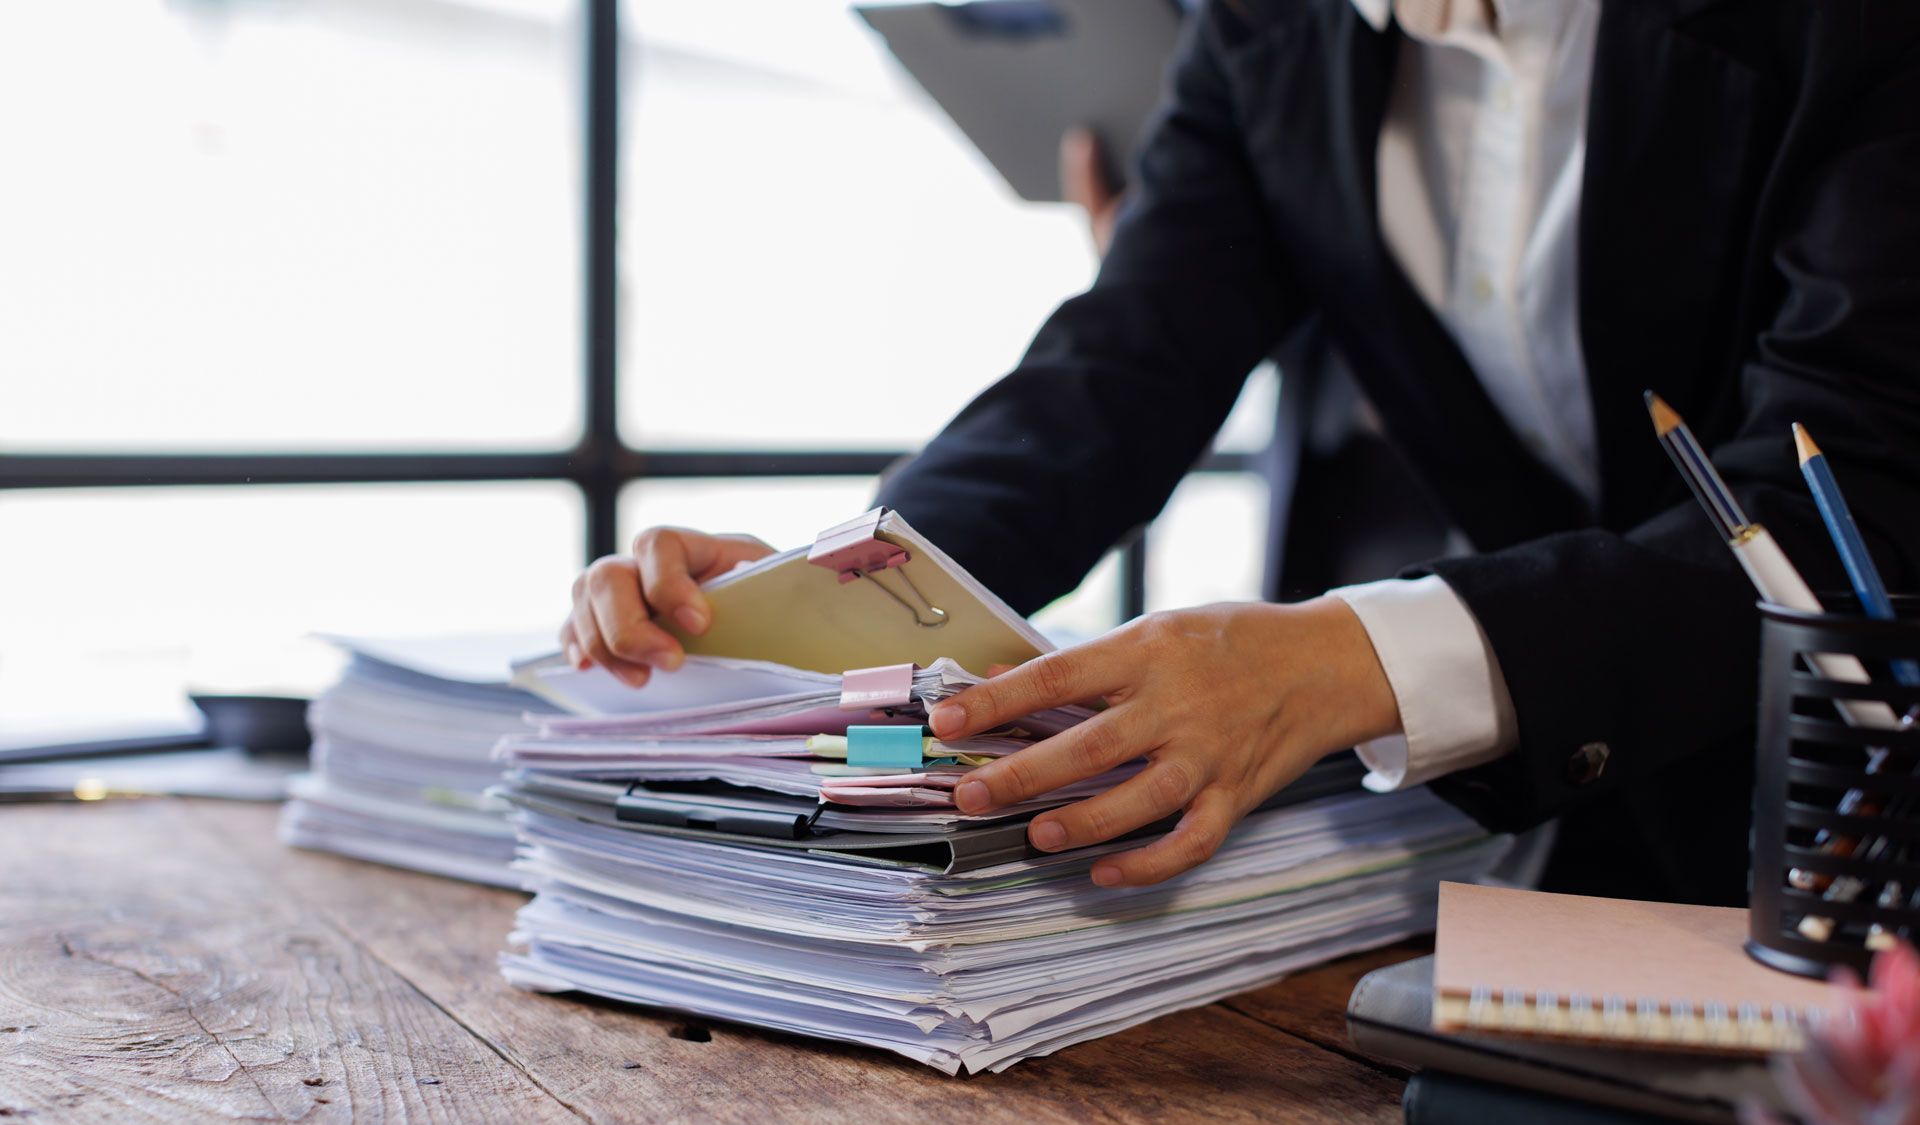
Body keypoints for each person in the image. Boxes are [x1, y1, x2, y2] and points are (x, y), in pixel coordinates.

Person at [563, 0, 1920, 905]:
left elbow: (1862, 475)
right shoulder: (1269, 30)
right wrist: (829, 598)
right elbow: (1118, 370)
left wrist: (1351, 660)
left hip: (1876, 817)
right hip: (1601, 850)